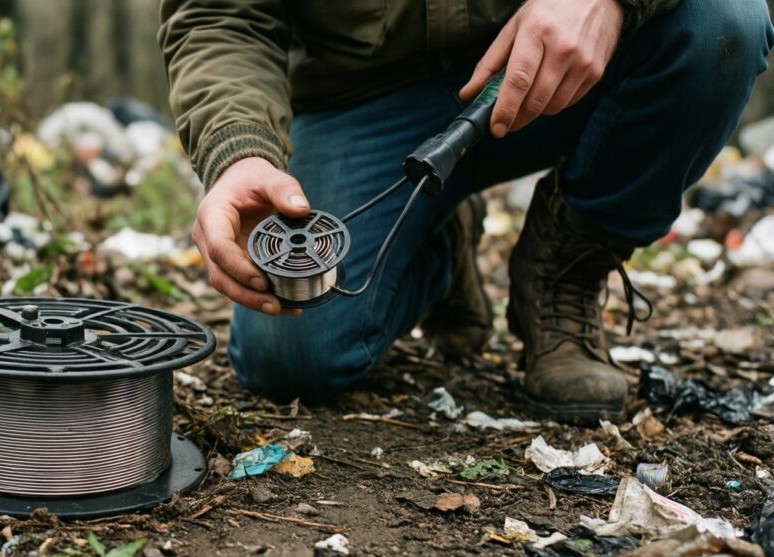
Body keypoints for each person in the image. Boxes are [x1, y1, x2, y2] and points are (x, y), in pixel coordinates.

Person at [158, 0, 774, 423]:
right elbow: (218, 14)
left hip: (558, 55)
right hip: (364, 100)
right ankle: (441, 245)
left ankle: (566, 272)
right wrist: (238, 151)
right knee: (290, 357)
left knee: (722, 24)